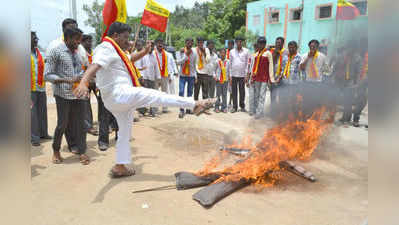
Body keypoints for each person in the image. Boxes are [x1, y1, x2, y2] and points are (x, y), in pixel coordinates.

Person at [73, 22, 214, 177]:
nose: (128, 41)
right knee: (153, 95)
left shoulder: (118, 51)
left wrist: (145, 51)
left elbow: (130, 59)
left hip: (119, 100)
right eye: (125, 37)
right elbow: (95, 65)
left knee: (125, 134)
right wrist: (83, 82)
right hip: (118, 93)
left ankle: (120, 166)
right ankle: (194, 104)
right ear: (115, 36)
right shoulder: (105, 47)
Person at [45, 27, 90, 165]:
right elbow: (47, 75)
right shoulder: (56, 51)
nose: (78, 42)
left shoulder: (78, 53)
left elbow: (81, 71)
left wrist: (85, 84)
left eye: (80, 40)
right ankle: (56, 150)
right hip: (63, 95)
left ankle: (82, 151)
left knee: (81, 124)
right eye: (76, 39)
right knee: (62, 124)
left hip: (78, 94)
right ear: (68, 38)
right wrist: (66, 80)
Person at [299, 39, 331, 117]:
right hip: (307, 82)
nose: (312, 48)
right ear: (309, 47)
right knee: (306, 101)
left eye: (314, 46)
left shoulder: (322, 56)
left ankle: (314, 117)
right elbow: (301, 68)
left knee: (316, 102)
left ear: (317, 47)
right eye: (311, 46)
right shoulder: (304, 56)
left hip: (318, 83)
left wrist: (324, 75)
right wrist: (308, 58)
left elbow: (327, 70)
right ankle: (306, 116)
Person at [31, 31, 52, 146]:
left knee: (42, 111)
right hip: (29, 89)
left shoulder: (40, 53)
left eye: (36, 38)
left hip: (41, 87)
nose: (36, 40)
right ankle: (34, 137)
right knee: (32, 113)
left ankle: (44, 133)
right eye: (33, 38)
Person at [247, 37, 274, 119]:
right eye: (259, 43)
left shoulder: (268, 53)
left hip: (264, 78)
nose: (261, 45)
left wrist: (271, 79)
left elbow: (271, 66)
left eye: (262, 43)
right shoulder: (255, 54)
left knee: (262, 96)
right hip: (256, 78)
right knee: (256, 95)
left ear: (265, 44)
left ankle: (259, 112)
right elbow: (252, 67)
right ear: (258, 44)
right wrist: (251, 77)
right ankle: (255, 110)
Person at [81, 34, 99, 136]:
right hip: (86, 82)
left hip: (96, 82)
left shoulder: (95, 53)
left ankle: (103, 123)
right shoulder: (81, 53)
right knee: (86, 105)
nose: (89, 43)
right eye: (87, 41)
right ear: (82, 42)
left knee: (102, 102)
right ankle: (89, 126)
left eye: (91, 41)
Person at [279, 41, 303, 117]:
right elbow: (282, 69)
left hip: (295, 83)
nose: (291, 49)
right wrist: (280, 77)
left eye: (293, 47)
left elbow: (302, 71)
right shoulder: (285, 57)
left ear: (296, 48)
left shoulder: (299, 57)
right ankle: (285, 116)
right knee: (285, 100)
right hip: (285, 82)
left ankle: (294, 116)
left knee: (294, 101)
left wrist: (301, 82)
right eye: (290, 48)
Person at [176, 38, 198, 118]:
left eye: (191, 43)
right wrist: (186, 55)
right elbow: (178, 62)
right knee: (181, 92)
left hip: (191, 76)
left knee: (190, 93)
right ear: (185, 43)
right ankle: (181, 110)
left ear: (192, 44)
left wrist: (195, 76)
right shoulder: (180, 51)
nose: (189, 44)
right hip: (182, 75)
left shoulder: (194, 52)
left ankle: (188, 109)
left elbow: (194, 65)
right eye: (188, 42)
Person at [137, 41, 159, 117]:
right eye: (150, 45)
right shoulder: (143, 55)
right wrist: (141, 77)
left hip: (152, 78)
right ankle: (142, 111)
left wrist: (158, 78)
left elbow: (156, 68)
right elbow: (139, 67)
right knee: (143, 95)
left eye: (153, 45)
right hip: (144, 78)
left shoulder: (154, 55)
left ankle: (153, 111)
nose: (151, 47)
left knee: (153, 95)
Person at [154, 38, 175, 113]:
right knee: (155, 92)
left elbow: (169, 65)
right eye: (158, 43)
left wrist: (170, 75)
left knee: (164, 92)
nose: (160, 45)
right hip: (156, 76)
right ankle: (155, 108)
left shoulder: (167, 54)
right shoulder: (153, 53)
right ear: (156, 44)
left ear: (163, 45)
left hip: (164, 75)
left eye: (161, 43)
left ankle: (164, 108)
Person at [229, 36, 250, 113]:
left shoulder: (246, 51)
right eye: (237, 42)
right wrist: (230, 76)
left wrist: (247, 75)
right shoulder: (231, 51)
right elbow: (230, 64)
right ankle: (234, 107)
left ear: (242, 42)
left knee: (242, 92)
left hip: (242, 75)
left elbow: (248, 64)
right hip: (234, 75)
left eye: (240, 42)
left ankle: (242, 106)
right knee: (234, 92)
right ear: (235, 43)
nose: (239, 43)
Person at [270, 37, 289, 115]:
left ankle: (280, 113)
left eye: (279, 43)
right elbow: (272, 63)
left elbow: (287, 65)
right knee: (273, 95)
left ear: (283, 43)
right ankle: (273, 112)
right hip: (273, 77)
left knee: (281, 96)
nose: (277, 44)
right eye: (276, 42)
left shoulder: (286, 52)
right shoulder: (273, 51)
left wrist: (280, 77)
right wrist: (275, 53)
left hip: (282, 78)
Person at [214, 48, 230, 113]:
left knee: (224, 94)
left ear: (226, 54)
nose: (223, 54)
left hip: (225, 80)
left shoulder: (228, 61)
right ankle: (216, 107)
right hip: (218, 80)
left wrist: (229, 77)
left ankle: (224, 107)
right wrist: (215, 76)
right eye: (221, 53)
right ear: (219, 53)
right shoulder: (217, 61)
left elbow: (229, 70)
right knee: (218, 94)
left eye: (224, 53)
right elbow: (214, 70)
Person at [226, 40, 235, 110]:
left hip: (232, 72)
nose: (229, 45)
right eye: (228, 44)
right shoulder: (225, 52)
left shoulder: (234, 52)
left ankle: (230, 102)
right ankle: (223, 101)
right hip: (224, 72)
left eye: (231, 44)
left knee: (231, 89)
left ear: (233, 45)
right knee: (222, 87)